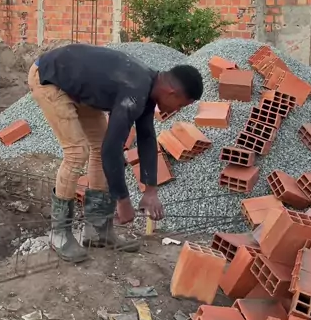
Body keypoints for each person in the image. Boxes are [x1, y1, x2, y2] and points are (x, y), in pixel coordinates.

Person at [28, 43, 203, 263]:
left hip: (74, 82)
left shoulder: (150, 89)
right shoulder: (136, 91)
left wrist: (151, 191)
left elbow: (147, 138)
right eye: (180, 105)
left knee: (98, 145)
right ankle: (59, 233)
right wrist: (123, 200)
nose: (177, 111)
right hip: (50, 78)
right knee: (77, 152)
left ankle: (97, 231)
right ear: (172, 92)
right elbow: (112, 149)